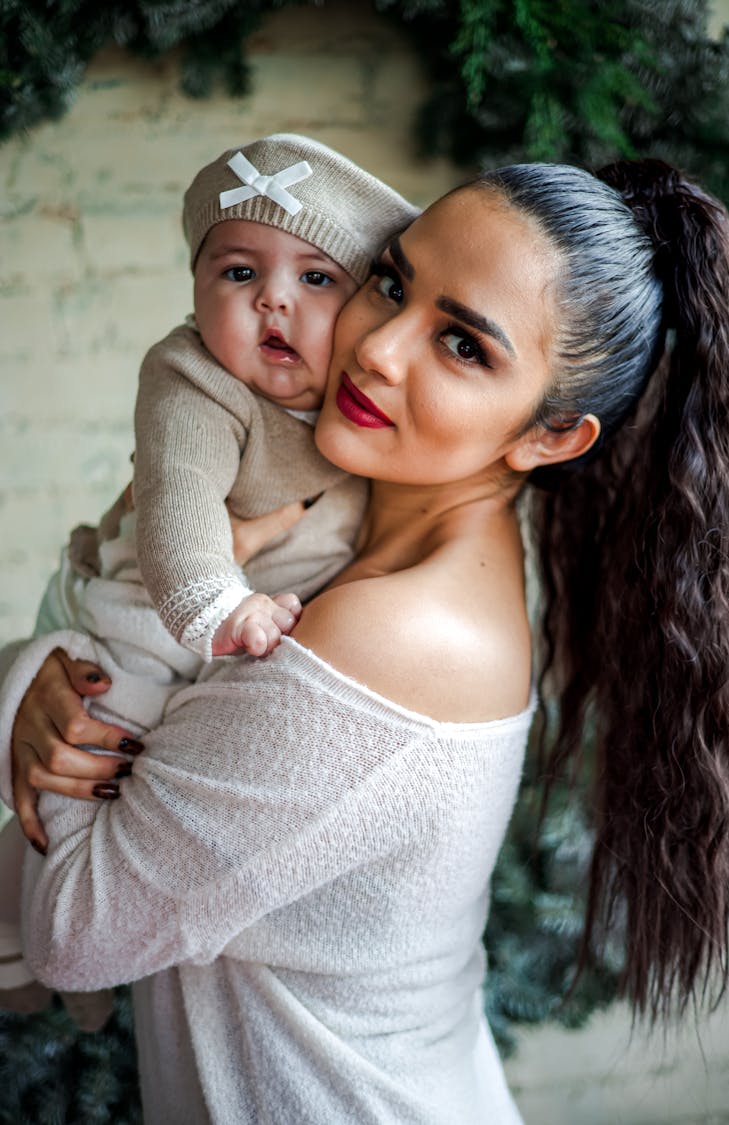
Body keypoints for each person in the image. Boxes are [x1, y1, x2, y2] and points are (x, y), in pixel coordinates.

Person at [2, 155, 729, 1124]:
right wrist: (35, 686)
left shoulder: (394, 632)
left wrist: (123, 608)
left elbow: (74, 936)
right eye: (391, 280)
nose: (381, 348)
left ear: (551, 437)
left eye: (464, 347)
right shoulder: (329, 532)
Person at [0, 132, 419, 1026]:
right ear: (194, 292)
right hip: (147, 617)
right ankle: (17, 945)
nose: (272, 297)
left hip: (231, 631)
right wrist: (218, 606)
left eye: (316, 278)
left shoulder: (355, 404)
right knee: (91, 753)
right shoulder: (193, 381)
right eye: (237, 273)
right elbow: (183, 510)